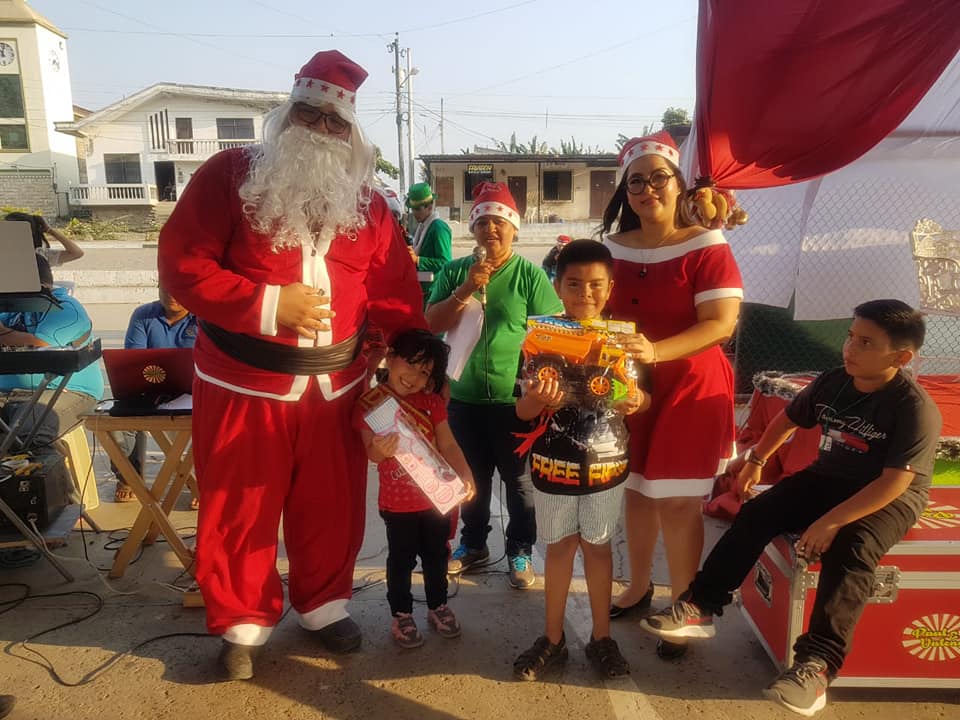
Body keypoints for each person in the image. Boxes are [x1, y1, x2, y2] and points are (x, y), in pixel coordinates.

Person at [157, 50, 425, 681]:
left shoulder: (369, 205)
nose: (319, 130)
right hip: (243, 382)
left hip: (338, 386)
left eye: (334, 121)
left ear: (350, 132)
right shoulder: (229, 176)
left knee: (330, 505)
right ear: (286, 114)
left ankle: (323, 607)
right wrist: (269, 304)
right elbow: (183, 265)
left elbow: (395, 294)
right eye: (308, 113)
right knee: (241, 508)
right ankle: (242, 623)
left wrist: (398, 359)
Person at [640, 299, 941, 717]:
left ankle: (816, 667)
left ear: (901, 358)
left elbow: (895, 482)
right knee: (757, 512)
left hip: (888, 495)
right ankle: (701, 606)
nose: (850, 348)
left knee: (851, 547)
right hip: (829, 477)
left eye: (866, 343)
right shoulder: (834, 381)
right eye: (851, 336)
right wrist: (756, 460)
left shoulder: (914, 408)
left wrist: (831, 522)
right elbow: (787, 420)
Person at [600, 131, 743, 660]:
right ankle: (638, 587)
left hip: (690, 387)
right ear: (626, 191)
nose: (647, 190)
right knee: (636, 491)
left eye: (658, 177)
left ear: (679, 183)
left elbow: (720, 323)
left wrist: (655, 352)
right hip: (629, 385)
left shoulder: (707, 244)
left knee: (679, 501)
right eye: (636, 182)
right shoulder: (611, 248)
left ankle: (686, 605)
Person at [512, 239, 650, 681]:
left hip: (607, 467)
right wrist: (538, 398)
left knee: (598, 548)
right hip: (553, 466)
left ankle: (601, 638)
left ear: (610, 288)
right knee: (558, 549)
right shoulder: (538, 339)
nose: (585, 293)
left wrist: (635, 400)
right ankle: (552, 639)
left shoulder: (624, 340)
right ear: (557, 285)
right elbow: (522, 410)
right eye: (574, 284)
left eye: (595, 285)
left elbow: (642, 397)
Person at [425, 181, 563, 589]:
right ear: (473, 229)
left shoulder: (529, 276)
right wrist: (467, 288)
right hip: (462, 398)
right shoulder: (454, 271)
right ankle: (473, 544)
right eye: (482, 222)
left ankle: (520, 549)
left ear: (514, 228)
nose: (491, 229)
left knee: (519, 482)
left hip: (514, 401)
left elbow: (551, 333)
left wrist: (539, 386)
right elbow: (431, 323)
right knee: (472, 479)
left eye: (499, 222)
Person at [354, 329, 476, 649]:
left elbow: (448, 444)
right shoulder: (371, 404)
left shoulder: (432, 403)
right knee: (401, 560)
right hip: (397, 505)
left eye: (425, 372)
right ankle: (401, 614)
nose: (415, 377)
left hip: (436, 498)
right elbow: (370, 452)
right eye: (411, 364)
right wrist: (380, 449)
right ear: (391, 357)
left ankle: (438, 605)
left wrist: (465, 474)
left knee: (437, 556)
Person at [0, 254, 103, 448]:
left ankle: (44, 465)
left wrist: (3, 333)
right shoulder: (13, 308)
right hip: (10, 392)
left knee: (30, 433)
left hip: (67, 391)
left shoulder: (66, 309)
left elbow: (42, 345)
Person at [112, 286, 198, 504]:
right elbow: (134, 361)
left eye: (176, 288)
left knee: (217, 417)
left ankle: (202, 482)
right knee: (118, 419)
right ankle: (129, 478)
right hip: (152, 388)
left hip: (196, 390)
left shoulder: (205, 318)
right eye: (165, 288)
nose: (171, 294)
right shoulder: (143, 315)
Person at [406, 182, 452, 301]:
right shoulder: (422, 227)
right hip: (423, 287)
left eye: (418, 209)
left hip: (434, 291)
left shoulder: (438, 228)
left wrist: (418, 260)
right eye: (413, 209)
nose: (414, 213)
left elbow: (445, 262)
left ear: (430, 206)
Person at [4, 212, 84, 267]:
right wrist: (50, 230)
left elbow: (77, 253)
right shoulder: (41, 255)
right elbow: (77, 253)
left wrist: (50, 230)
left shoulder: (40, 254)